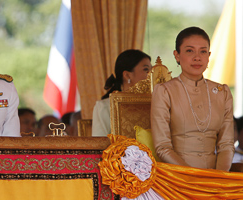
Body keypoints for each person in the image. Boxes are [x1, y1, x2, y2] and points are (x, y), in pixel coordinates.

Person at [151, 26, 234, 171]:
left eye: (203, 51)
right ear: (177, 55)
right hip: (180, 177)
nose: (197, 57)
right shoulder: (165, 91)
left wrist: (220, 178)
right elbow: (162, 147)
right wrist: (194, 178)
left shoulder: (223, 92)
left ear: (208, 56)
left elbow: (226, 144)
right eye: (190, 51)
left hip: (216, 177)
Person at [92, 49, 152, 136]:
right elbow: (99, 144)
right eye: (146, 69)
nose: (151, 74)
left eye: (152, 70)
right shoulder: (105, 107)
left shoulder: (156, 103)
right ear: (127, 75)